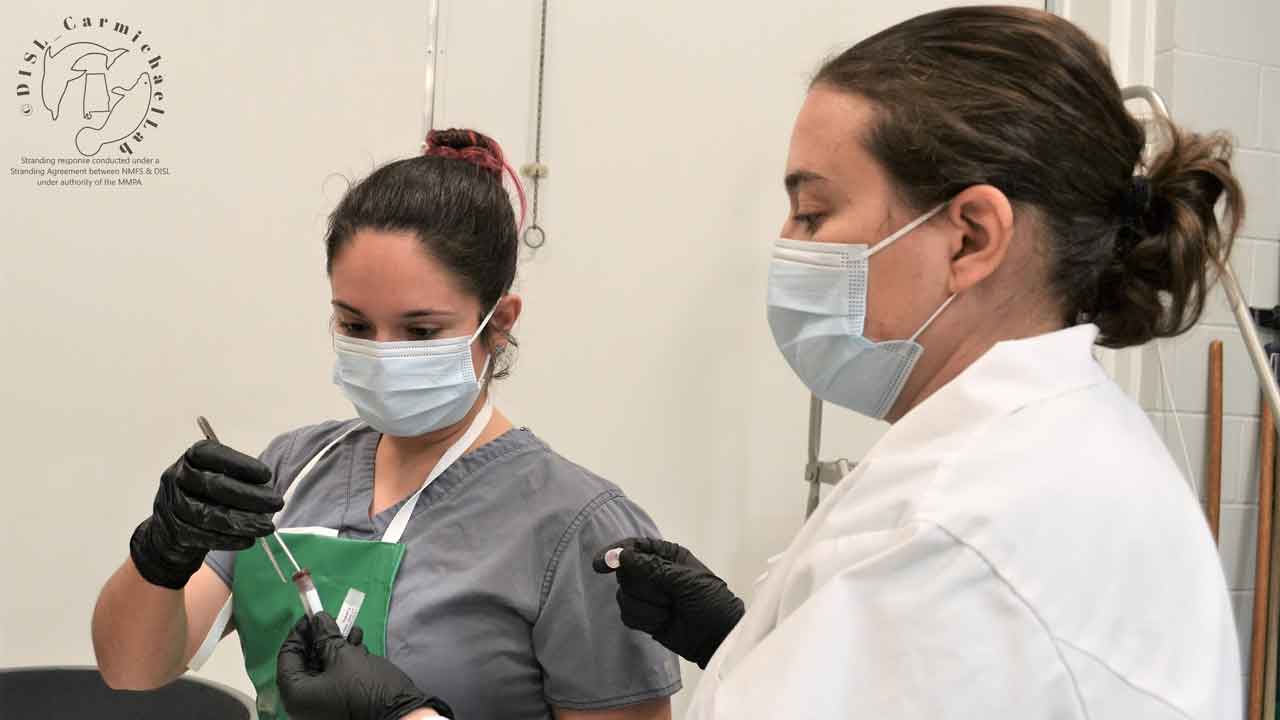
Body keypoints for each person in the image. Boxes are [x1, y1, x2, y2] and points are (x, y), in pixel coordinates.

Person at [273, 6, 1246, 719]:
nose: (786, 245)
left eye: (814, 210)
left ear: (969, 236)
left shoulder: (965, 532)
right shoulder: (1031, 458)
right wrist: (743, 641)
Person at [91, 129, 680, 720]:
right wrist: (161, 554)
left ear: (497, 323)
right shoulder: (293, 471)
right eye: (354, 326)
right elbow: (132, 670)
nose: (382, 353)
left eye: (420, 332)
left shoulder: (577, 529)